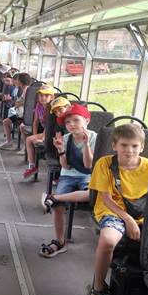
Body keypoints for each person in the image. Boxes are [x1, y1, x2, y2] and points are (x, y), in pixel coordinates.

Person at [84, 124, 148, 295]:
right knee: (107, 240)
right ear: (114, 145)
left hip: (143, 212)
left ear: (142, 147)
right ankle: (98, 287)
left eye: (134, 146)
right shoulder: (105, 164)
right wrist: (129, 220)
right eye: (124, 145)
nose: (129, 150)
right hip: (112, 211)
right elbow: (106, 199)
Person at [39, 104, 96, 258]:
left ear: (87, 121)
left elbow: (88, 165)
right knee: (58, 207)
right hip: (68, 175)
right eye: (68, 122)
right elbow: (65, 166)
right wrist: (60, 150)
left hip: (88, 175)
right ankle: (59, 241)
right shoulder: (65, 138)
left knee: (91, 194)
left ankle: (53, 197)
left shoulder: (95, 138)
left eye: (76, 120)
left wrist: (86, 144)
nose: (71, 125)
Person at [22, 85, 55, 178]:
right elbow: (35, 121)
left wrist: (43, 138)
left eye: (46, 95)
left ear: (52, 97)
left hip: (51, 133)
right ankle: (32, 165)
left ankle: (32, 166)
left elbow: (50, 125)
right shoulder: (39, 106)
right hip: (45, 131)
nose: (43, 98)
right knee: (30, 139)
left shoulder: (52, 108)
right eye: (41, 95)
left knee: (29, 140)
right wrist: (35, 135)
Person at [0, 73, 31, 150]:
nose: (16, 81)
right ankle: (9, 142)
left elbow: (27, 102)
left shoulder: (27, 90)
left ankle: (24, 147)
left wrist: (18, 104)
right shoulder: (24, 89)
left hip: (23, 115)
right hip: (21, 113)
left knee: (9, 123)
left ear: (20, 81)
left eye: (17, 80)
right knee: (6, 122)